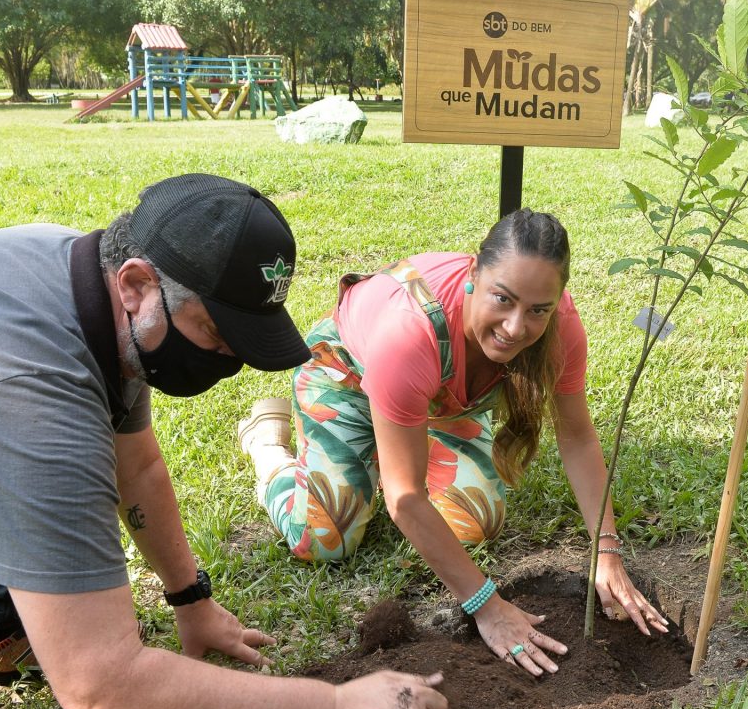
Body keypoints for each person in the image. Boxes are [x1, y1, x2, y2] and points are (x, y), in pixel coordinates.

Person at [0, 173, 446, 709]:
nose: (227, 360)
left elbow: (136, 468)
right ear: (136, 283)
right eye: (216, 332)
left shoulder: (92, 294)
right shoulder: (35, 399)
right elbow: (100, 682)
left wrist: (189, 597)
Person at [238, 209, 669, 678]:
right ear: (473, 275)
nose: (515, 327)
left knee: (474, 520)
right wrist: (487, 606)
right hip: (349, 377)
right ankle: (268, 446)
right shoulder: (408, 334)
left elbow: (578, 435)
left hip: (441, 402)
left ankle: (391, 450)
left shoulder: (560, 327)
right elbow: (404, 501)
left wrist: (606, 552)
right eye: (502, 299)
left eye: (538, 310)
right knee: (326, 541)